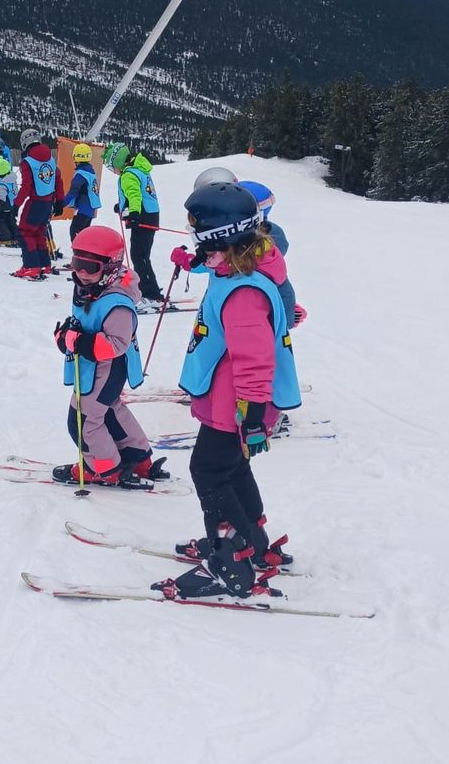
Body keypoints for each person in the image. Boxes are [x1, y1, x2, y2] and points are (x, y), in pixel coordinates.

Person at [166, 181, 302, 600]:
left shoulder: (243, 291)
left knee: (207, 470)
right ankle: (252, 543)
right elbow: (221, 266)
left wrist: (256, 415)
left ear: (218, 236)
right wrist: (199, 261)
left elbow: (255, 358)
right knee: (231, 469)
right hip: (230, 397)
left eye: (197, 232)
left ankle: (231, 559)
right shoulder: (242, 265)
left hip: (237, 402)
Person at [52, 226, 168, 487]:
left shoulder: (117, 301)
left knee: (82, 420)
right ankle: (137, 458)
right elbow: (84, 321)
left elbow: (117, 343)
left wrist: (80, 342)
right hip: (97, 369)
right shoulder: (93, 288)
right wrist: (66, 335)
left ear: (110, 267)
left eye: (90, 267)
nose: (81, 273)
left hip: (107, 368)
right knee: (109, 410)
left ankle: (102, 468)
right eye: (76, 264)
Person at [102, 142, 164, 308]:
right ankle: (150, 289)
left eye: (111, 166)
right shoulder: (139, 170)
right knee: (141, 255)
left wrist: (134, 213)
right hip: (150, 215)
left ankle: (151, 295)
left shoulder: (128, 174)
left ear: (118, 162)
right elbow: (140, 194)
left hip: (143, 217)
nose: (113, 171)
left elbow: (135, 195)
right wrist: (122, 206)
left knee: (139, 256)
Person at [12, 129, 65, 279]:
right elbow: (58, 181)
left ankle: (31, 267)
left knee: (24, 232)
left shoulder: (27, 162)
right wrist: (60, 201)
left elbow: (26, 186)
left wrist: (16, 205)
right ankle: (44, 264)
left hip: (35, 202)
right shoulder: (51, 159)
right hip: (49, 203)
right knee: (38, 233)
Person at [62, 142, 102, 241]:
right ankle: (85, 253)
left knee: (75, 231)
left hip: (83, 208)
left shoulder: (81, 174)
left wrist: (60, 204)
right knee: (84, 234)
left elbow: (73, 192)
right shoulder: (91, 172)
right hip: (90, 210)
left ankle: (79, 252)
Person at [0, 155, 20, 244]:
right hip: (12, 206)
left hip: (3, 207)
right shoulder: (12, 179)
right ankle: (16, 236)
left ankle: (5, 238)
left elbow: (1, 200)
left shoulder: (1, 185)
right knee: (11, 222)